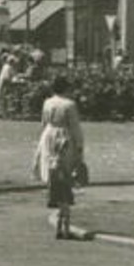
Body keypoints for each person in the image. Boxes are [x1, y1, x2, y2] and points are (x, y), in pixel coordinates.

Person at [32, 75, 88, 240]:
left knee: (54, 175)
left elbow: (44, 123)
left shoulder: (47, 102)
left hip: (48, 138)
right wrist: (79, 147)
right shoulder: (69, 104)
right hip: (64, 139)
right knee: (65, 178)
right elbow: (75, 128)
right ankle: (64, 224)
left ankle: (60, 221)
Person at [0, 51, 18, 117]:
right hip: (4, 85)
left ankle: (2, 112)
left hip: (4, 84)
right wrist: (12, 80)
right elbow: (7, 77)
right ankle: (2, 113)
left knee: (2, 98)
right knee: (2, 98)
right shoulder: (8, 67)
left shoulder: (6, 66)